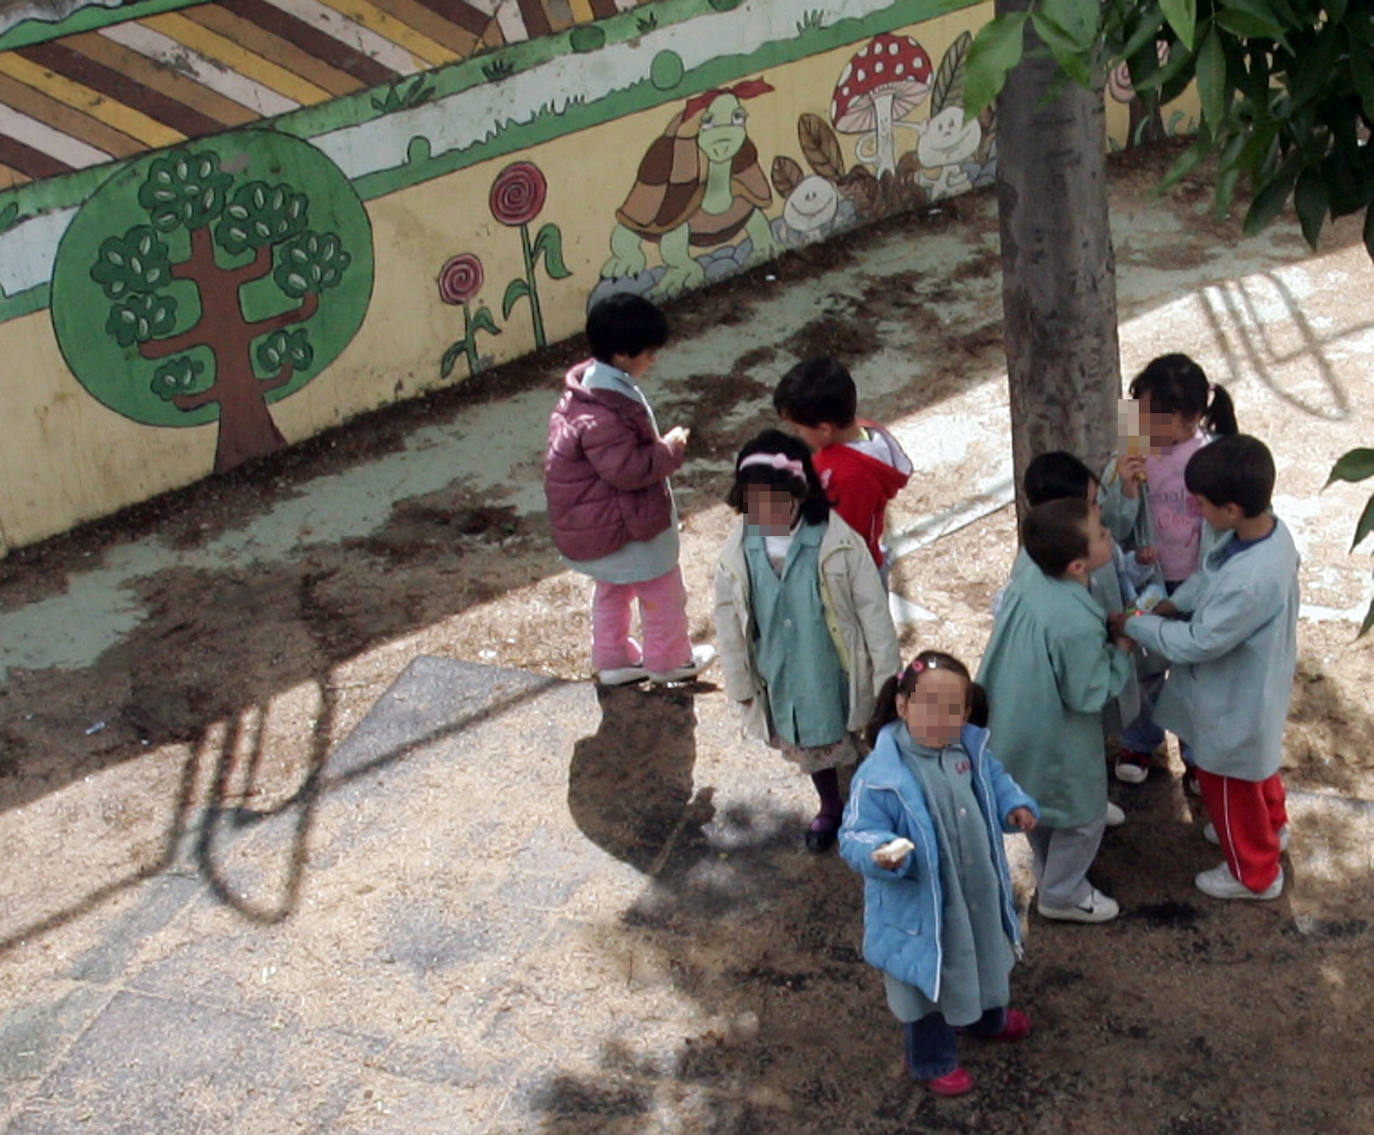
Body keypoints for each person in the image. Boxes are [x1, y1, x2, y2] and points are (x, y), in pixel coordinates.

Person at [839, 650, 1038, 1097]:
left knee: (985, 955)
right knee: (927, 982)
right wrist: (878, 855)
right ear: (903, 705)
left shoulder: (969, 749)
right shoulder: (881, 774)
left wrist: (1015, 806)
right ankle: (931, 1058)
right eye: (927, 704)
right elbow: (856, 832)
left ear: (967, 711)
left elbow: (997, 780)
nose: (940, 717)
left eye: (953, 708)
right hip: (921, 908)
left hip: (977, 893)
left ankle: (988, 1018)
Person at [1120, 435, 1297, 900]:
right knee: (1257, 770)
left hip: (1234, 698)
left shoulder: (1250, 581)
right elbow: (1209, 578)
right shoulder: (1264, 538)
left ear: (1232, 509)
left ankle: (1254, 872)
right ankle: (1271, 830)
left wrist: (1137, 626)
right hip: (1253, 692)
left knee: (1225, 781)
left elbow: (1200, 641)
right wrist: (1174, 604)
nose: (1196, 511)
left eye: (1201, 504)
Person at [714, 429, 900, 850]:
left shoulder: (838, 545)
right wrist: (740, 682)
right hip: (783, 674)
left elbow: (874, 614)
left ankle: (875, 809)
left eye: (777, 501)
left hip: (838, 671)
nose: (765, 513)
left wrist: (887, 678)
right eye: (753, 502)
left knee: (861, 740)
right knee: (813, 746)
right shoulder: (738, 553)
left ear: (802, 493)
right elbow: (729, 620)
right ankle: (831, 805)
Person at [544, 293, 715, 686]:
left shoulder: (583, 395)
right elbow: (630, 470)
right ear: (623, 354)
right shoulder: (607, 410)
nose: (652, 360)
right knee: (662, 593)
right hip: (629, 526)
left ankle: (613, 657)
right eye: (649, 352)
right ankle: (669, 660)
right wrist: (670, 448)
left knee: (612, 591)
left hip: (599, 527)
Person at [977, 498, 1134, 923]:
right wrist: (1120, 652)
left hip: (1013, 720)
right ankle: (1062, 893)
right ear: (1078, 567)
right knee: (1083, 818)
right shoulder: (1074, 621)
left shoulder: (1032, 581)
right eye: (1102, 534)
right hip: (1055, 734)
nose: (1109, 536)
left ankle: (1050, 870)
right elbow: (1088, 693)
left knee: (1039, 805)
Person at [1101, 353, 1238, 785]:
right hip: (1148, 585)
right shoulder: (1132, 451)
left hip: (1200, 584)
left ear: (1189, 417)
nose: (1139, 423)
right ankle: (1141, 742)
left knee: (1197, 672)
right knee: (1145, 668)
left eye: (1150, 415)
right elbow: (1111, 527)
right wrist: (1122, 488)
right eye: (1136, 411)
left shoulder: (1215, 456)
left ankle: (1198, 755)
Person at [772, 356, 912, 579]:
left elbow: (840, 540)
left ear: (824, 429)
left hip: (850, 579)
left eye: (798, 429)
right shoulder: (860, 436)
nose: (797, 435)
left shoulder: (850, 476)